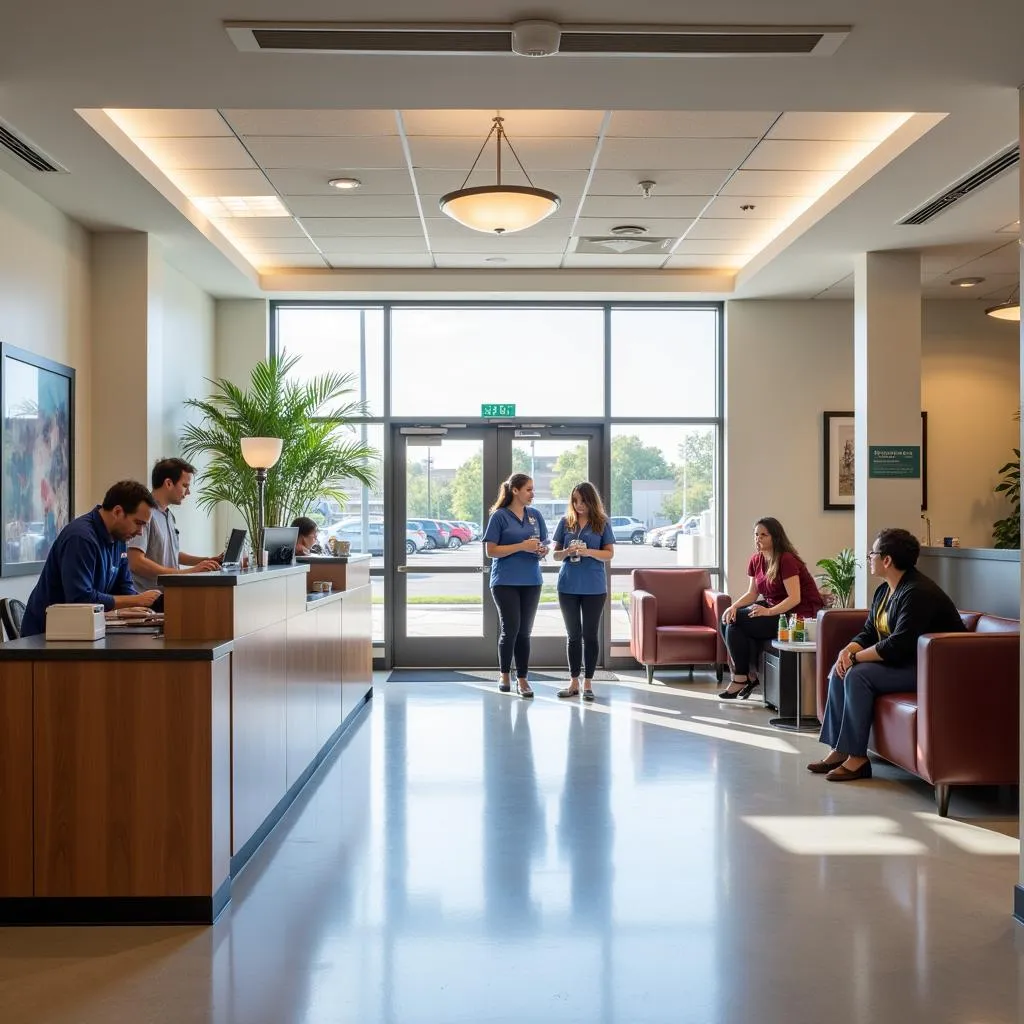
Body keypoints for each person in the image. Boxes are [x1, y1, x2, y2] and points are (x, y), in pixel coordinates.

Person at [809, 527, 965, 781]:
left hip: (931, 670)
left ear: (887, 560)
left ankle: (858, 759)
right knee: (841, 670)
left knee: (857, 674)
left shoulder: (917, 593)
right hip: (903, 663)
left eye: (873, 553)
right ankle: (839, 749)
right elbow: (870, 631)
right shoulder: (884, 590)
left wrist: (856, 658)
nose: (869, 557)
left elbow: (899, 645)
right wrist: (848, 650)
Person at [21, 480, 162, 637]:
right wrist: (136, 601)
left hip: (84, 630)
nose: (141, 532)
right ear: (117, 512)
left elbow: (124, 586)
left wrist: (143, 608)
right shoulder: (81, 538)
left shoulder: (119, 539)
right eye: (138, 523)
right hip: (45, 636)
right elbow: (80, 599)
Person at [719, 516, 824, 699]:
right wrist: (734, 606)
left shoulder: (786, 559)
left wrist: (767, 612)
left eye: (763, 535)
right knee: (728, 618)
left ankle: (742, 678)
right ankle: (746, 675)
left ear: (775, 537)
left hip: (796, 614)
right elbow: (753, 593)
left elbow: (794, 598)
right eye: (756, 535)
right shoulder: (756, 560)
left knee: (737, 622)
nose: (758, 538)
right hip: (774, 607)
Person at [483, 472, 548, 698]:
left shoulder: (535, 515)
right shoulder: (499, 516)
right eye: (528, 489)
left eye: (532, 489)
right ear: (515, 491)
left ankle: (522, 679)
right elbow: (491, 551)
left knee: (524, 632)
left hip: (531, 580)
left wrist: (541, 550)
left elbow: (543, 544)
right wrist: (521, 546)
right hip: (505, 581)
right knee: (510, 629)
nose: (532, 493)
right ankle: (504, 675)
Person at [551, 482, 615, 701]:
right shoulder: (565, 522)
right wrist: (567, 551)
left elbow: (609, 555)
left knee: (590, 635)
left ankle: (588, 683)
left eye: (583, 501)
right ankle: (573, 682)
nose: (579, 505)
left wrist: (588, 551)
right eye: (575, 501)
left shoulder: (602, 523)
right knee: (573, 635)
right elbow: (555, 555)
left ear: (591, 501)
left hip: (594, 587)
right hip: (568, 586)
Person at [127, 458, 222, 592]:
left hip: (170, 594)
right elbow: (136, 562)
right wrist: (188, 572)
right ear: (168, 483)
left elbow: (171, 553)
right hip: (150, 600)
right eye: (185, 485)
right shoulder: (145, 514)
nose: (188, 492)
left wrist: (205, 561)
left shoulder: (168, 515)